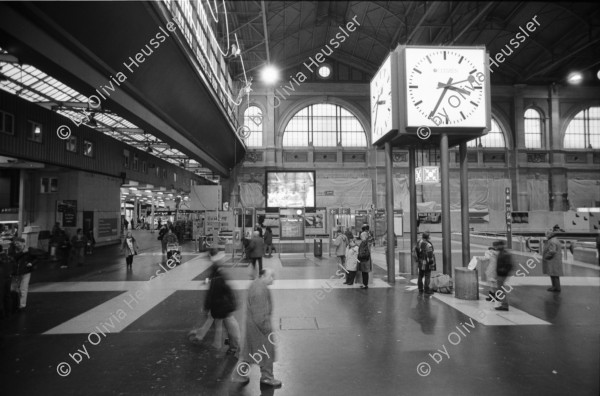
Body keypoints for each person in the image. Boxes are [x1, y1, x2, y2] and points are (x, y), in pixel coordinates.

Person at [233, 269, 282, 388]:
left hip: (252, 326)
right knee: (266, 352)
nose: (273, 279)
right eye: (271, 276)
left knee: (250, 352)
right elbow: (259, 315)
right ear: (263, 276)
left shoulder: (256, 284)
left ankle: (239, 375)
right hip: (259, 327)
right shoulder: (260, 290)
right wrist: (267, 329)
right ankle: (267, 377)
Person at [204, 248, 240, 356]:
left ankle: (235, 347)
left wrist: (209, 305)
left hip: (223, 305)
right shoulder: (216, 269)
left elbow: (218, 290)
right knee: (229, 324)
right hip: (223, 303)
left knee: (231, 325)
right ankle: (232, 343)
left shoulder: (218, 271)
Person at [9, 237, 35, 311]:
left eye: (18, 243)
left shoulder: (30, 250)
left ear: (23, 243)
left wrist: (31, 263)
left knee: (23, 289)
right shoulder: (12, 250)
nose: (17, 245)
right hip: (15, 272)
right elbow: (13, 258)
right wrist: (23, 252)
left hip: (25, 271)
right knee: (13, 289)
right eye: (15, 243)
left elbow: (36, 258)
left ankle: (22, 304)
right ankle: (14, 304)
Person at [494, 241, 514, 311]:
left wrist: (503, 271)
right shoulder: (502, 253)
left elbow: (509, 265)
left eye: (497, 246)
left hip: (502, 274)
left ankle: (504, 305)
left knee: (500, 290)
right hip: (501, 274)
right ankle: (503, 303)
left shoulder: (505, 254)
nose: (496, 247)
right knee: (500, 289)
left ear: (501, 245)